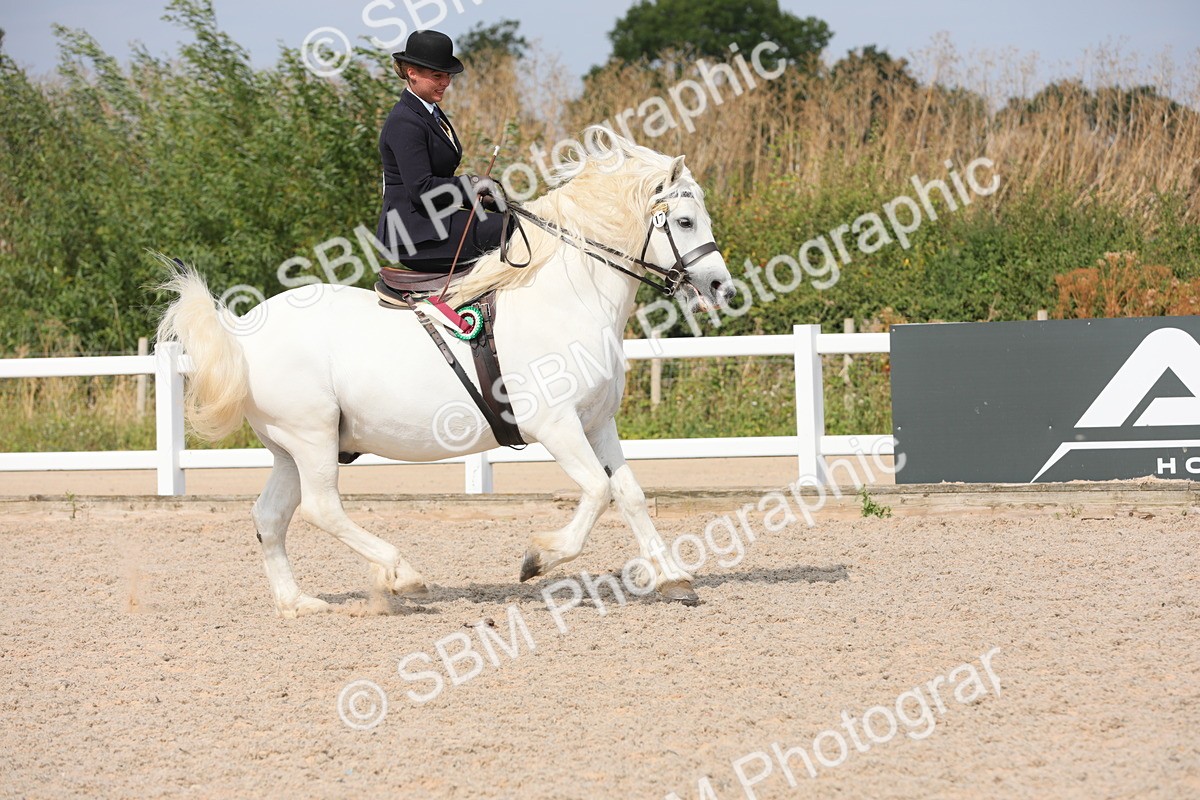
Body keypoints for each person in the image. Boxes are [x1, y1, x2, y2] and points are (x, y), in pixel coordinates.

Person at [375, 29, 506, 273]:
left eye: (447, 75)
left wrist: (479, 196)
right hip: (413, 232)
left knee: (513, 221)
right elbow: (422, 189)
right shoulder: (405, 121)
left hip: (432, 222)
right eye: (437, 76)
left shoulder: (429, 113)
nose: (446, 82)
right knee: (510, 230)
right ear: (412, 73)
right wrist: (470, 184)